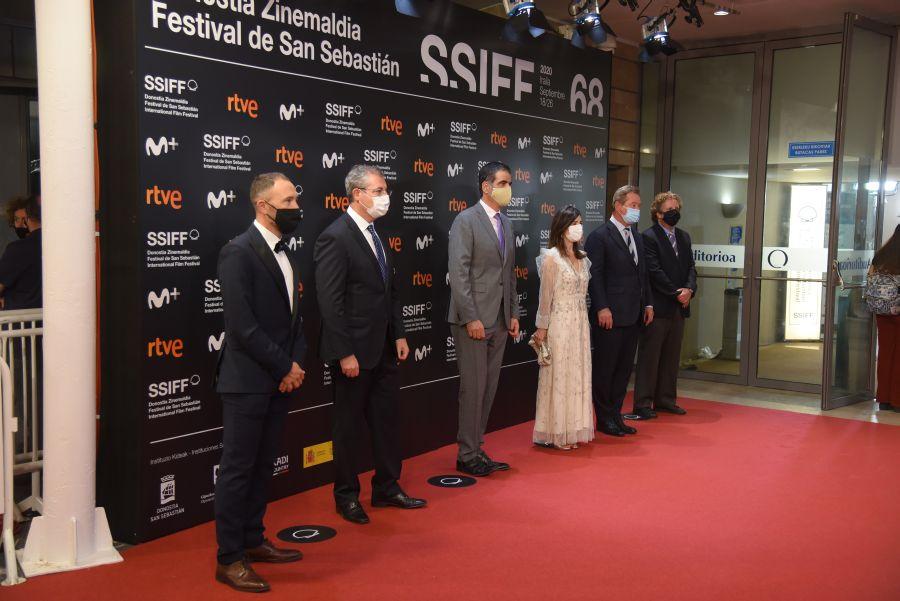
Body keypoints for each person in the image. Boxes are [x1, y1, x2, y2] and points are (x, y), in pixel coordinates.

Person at [314, 164, 426, 525]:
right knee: (347, 429)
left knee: (387, 422)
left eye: (385, 190)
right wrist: (344, 351)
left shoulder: (376, 234)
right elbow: (330, 304)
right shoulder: (336, 236)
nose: (385, 197)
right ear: (357, 194)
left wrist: (400, 333)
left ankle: (386, 487)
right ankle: (346, 496)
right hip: (353, 353)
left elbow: (389, 290)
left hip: (384, 349)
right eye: (378, 190)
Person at [214, 172, 307, 593]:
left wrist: (295, 363)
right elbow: (242, 328)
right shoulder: (238, 252)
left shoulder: (286, 253)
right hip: (247, 382)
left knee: (263, 465)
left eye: (294, 200)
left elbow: (295, 320)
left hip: (277, 380)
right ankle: (229, 557)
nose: (294, 208)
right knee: (237, 470)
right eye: (287, 201)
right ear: (262, 206)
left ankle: (252, 539)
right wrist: (284, 366)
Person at [448, 161, 520, 476]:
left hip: (501, 319)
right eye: (503, 183)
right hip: (474, 320)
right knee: (473, 388)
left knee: (488, 388)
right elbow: (458, 274)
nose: (509, 189)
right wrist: (471, 318)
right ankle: (466, 454)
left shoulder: (506, 222)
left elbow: (510, 276)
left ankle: (477, 448)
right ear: (486, 187)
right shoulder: (466, 220)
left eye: (510, 183)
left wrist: (514, 312)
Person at [585, 185, 653, 437]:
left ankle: (616, 414)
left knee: (624, 369)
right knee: (606, 369)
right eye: (633, 205)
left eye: (639, 205)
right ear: (618, 205)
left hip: (633, 314)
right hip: (610, 316)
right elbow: (595, 276)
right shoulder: (600, 236)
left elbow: (642, 274)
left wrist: (647, 304)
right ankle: (603, 418)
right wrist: (602, 306)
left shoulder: (636, 236)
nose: (637, 210)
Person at [532, 205, 595, 450]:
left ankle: (573, 429)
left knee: (577, 375)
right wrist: (542, 328)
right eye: (573, 222)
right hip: (559, 323)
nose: (578, 227)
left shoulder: (583, 257)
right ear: (561, 227)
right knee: (558, 375)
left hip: (580, 323)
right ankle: (555, 431)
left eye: (580, 221)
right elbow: (544, 297)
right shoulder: (551, 258)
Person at [633, 191, 697, 419]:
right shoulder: (648, 237)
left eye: (676, 208)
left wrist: (689, 290)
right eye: (669, 210)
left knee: (671, 356)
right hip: (658, 305)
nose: (674, 213)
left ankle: (666, 399)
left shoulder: (684, 236)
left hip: (680, 306)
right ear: (658, 214)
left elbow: (691, 267)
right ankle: (642, 404)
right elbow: (654, 271)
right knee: (650, 357)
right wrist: (676, 292)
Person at [865, 225, 900, 412]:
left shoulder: (881, 255)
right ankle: (897, 400)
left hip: (882, 310)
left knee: (886, 354)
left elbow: (870, 278)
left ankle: (884, 399)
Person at [0, 195, 42, 310]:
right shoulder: (59, 245)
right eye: (16, 220)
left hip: (18, 321)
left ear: (28, 219)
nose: (19, 224)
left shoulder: (17, 249)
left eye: (22, 219)